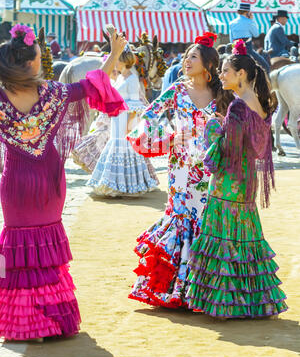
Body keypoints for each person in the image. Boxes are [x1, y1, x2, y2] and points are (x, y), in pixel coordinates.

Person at [0, 24, 128, 341]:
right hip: (49, 181)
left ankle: (26, 324)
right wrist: (114, 54)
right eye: (41, 57)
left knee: (18, 250)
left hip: (15, 182)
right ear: (29, 63)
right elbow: (93, 84)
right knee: (47, 250)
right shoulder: (53, 95)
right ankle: (53, 320)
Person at [126, 32, 234, 308]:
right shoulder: (176, 90)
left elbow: (235, 126)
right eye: (186, 56)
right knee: (182, 215)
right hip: (182, 167)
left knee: (207, 218)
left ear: (209, 64)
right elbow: (148, 117)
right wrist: (170, 136)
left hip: (211, 169)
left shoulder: (222, 94)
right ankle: (176, 290)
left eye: (193, 57)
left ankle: (205, 290)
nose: (186, 61)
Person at [186, 39, 288, 319]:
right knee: (245, 239)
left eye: (226, 71)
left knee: (224, 241)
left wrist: (213, 127)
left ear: (241, 74)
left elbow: (227, 149)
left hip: (228, 182)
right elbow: (253, 148)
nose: (221, 75)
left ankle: (226, 302)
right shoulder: (262, 105)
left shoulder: (238, 107)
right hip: (247, 183)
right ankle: (254, 301)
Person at [87, 42, 159, 197]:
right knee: (116, 146)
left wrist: (129, 126)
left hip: (125, 120)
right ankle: (115, 185)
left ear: (124, 61)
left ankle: (125, 185)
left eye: (118, 60)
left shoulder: (132, 79)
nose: (116, 63)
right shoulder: (120, 77)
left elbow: (136, 105)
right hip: (116, 117)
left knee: (123, 147)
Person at [229, 1, 270, 72]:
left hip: (235, 49)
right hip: (247, 49)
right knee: (265, 66)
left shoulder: (232, 23)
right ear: (247, 12)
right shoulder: (249, 22)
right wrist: (252, 20)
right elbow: (256, 34)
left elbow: (231, 39)